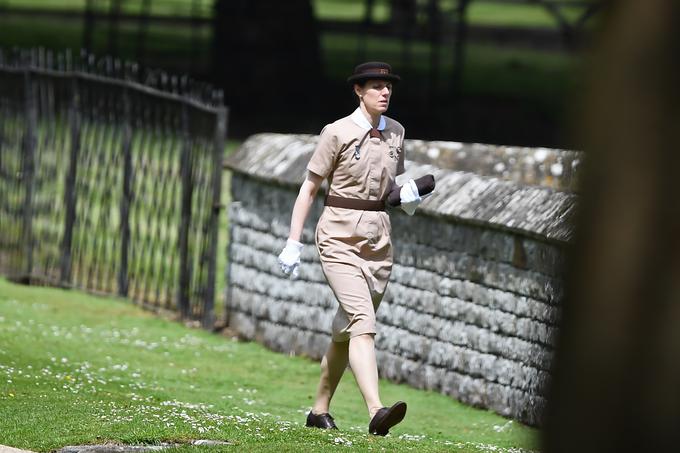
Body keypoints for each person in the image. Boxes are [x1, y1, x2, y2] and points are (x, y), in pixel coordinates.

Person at [277, 61, 424, 436]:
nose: (384, 92)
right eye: (376, 86)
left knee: (345, 330)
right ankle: (377, 411)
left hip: (379, 241)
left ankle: (318, 411)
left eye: (388, 86)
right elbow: (309, 188)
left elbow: (396, 188)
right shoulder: (337, 132)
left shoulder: (396, 132)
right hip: (338, 235)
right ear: (358, 90)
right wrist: (293, 242)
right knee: (363, 322)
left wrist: (408, 196)